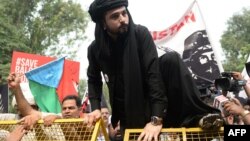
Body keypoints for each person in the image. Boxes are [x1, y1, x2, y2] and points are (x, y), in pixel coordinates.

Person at [86, 0, 167, 141]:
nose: (122, 19)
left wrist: (156, 120)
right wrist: (95, 107)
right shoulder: (95, 49)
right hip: (125, 117)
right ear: (103, 24)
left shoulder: (140, 34)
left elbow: (154, 76)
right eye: (115, 16)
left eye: (124, 13)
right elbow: (93, 79)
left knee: (171, 60)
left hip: (149, 109)